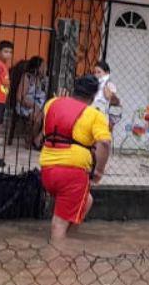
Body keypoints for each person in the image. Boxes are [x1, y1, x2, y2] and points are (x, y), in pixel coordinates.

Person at [38, 74, 112, 240]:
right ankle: (57, 257)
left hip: (47, 171)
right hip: (72, 174)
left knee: (87, 201)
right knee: (59, 223)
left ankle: (68, 244)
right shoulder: (95, 115)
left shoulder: (52, 103)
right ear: (93, 96)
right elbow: (105, 143)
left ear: (74, 90)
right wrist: (99, 171)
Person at [9, 56, 45, 145]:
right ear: (37, 67)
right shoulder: (27, 77)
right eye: (43, 66)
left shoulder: (42, 79)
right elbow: (20, 97)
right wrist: (34, 106)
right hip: (25, 105)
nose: (45, 69)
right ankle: (31, 140)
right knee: (37, 118)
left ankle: (36, 139)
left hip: (39, 105)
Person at [92, 60, 122, 131]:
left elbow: (112, 100)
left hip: (102, 112)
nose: (96, 75)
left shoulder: (109, 85)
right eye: (94, 72)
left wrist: (110, 96)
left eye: (99, 72)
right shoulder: (94, 83)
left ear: (107, 73)